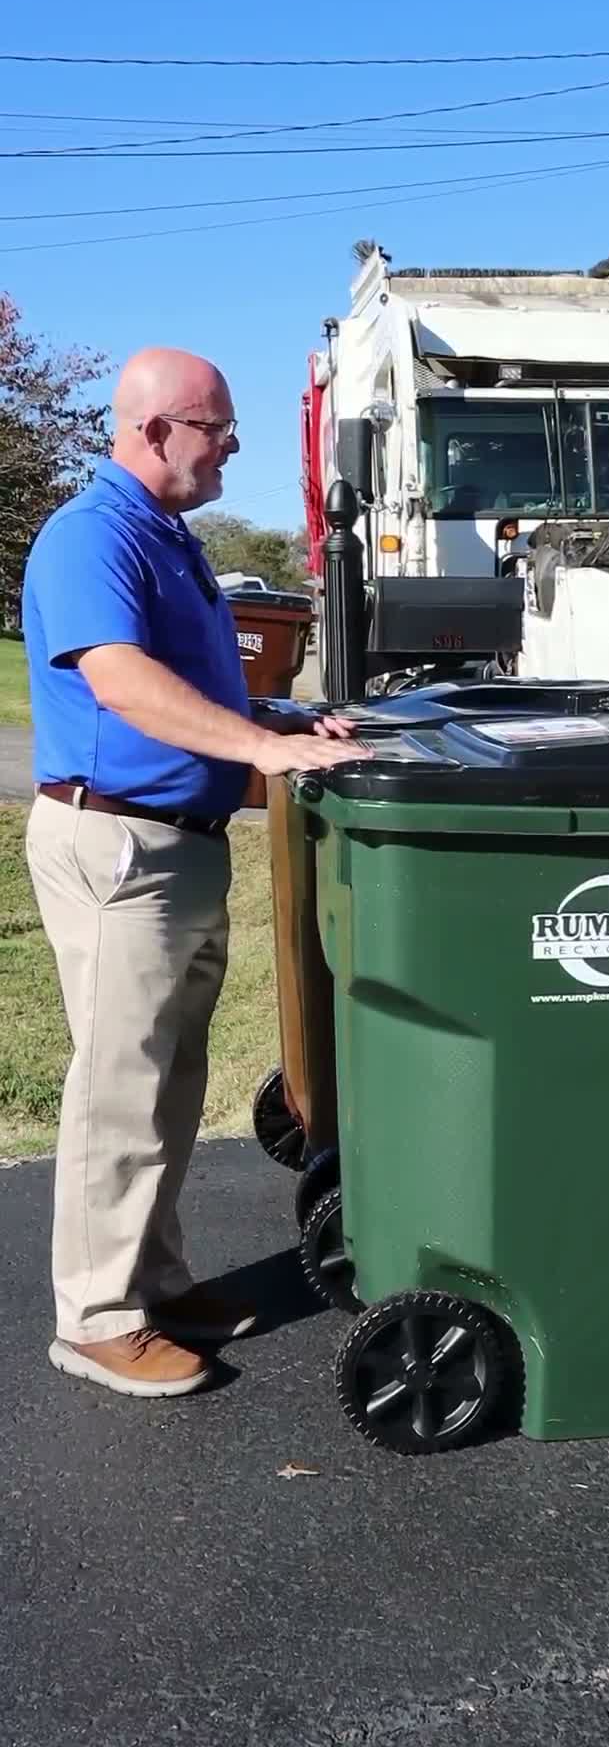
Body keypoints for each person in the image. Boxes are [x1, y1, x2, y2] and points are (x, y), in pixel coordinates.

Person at [22, 347, 368, 1398]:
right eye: (216, 426)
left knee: (168, 1083)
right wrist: (266, 754)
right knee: (121, 1086)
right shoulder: (93, 534)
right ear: (154, 428)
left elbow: (191, 683)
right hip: (120, 843)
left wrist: (281, 720)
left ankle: (158, 1281)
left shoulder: (166, 536)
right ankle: (96, 1316)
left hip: (175, 844)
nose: (232, 445)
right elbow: (121, 680)